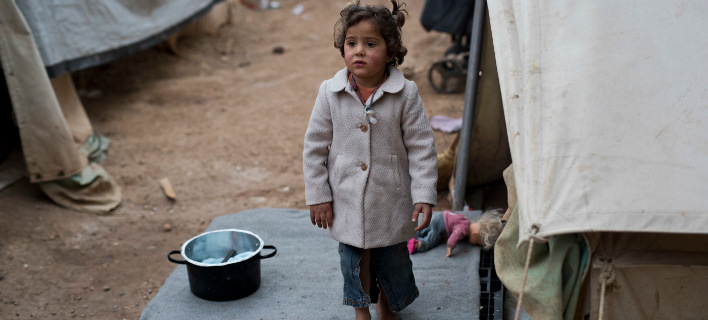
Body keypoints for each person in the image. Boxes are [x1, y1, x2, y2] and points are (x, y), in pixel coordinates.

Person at [302, 1, 438, 319]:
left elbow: (422, 148)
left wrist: (424, 195)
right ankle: (361, 311)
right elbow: (314, 149)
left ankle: (387, 306)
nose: (359, 51)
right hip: (346, 198)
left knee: (393, 260)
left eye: (370, 43)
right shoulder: (329, 93)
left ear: (391, 53)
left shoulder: (405, 94)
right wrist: (318, 196)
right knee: (353, 260)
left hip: (390, 198)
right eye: (352, 43)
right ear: (343, 49)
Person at [409, 209, 505, 257]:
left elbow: (453, 217)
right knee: (432, 238)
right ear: (476, 234)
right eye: (478, 242)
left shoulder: (466, 220)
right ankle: (418, 244)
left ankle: (414, 233)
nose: (476, 244)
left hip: (441, 217)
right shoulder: (463, 229)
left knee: (428, 228)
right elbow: (455, 235)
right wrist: (450, 247)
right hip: (442, 225)